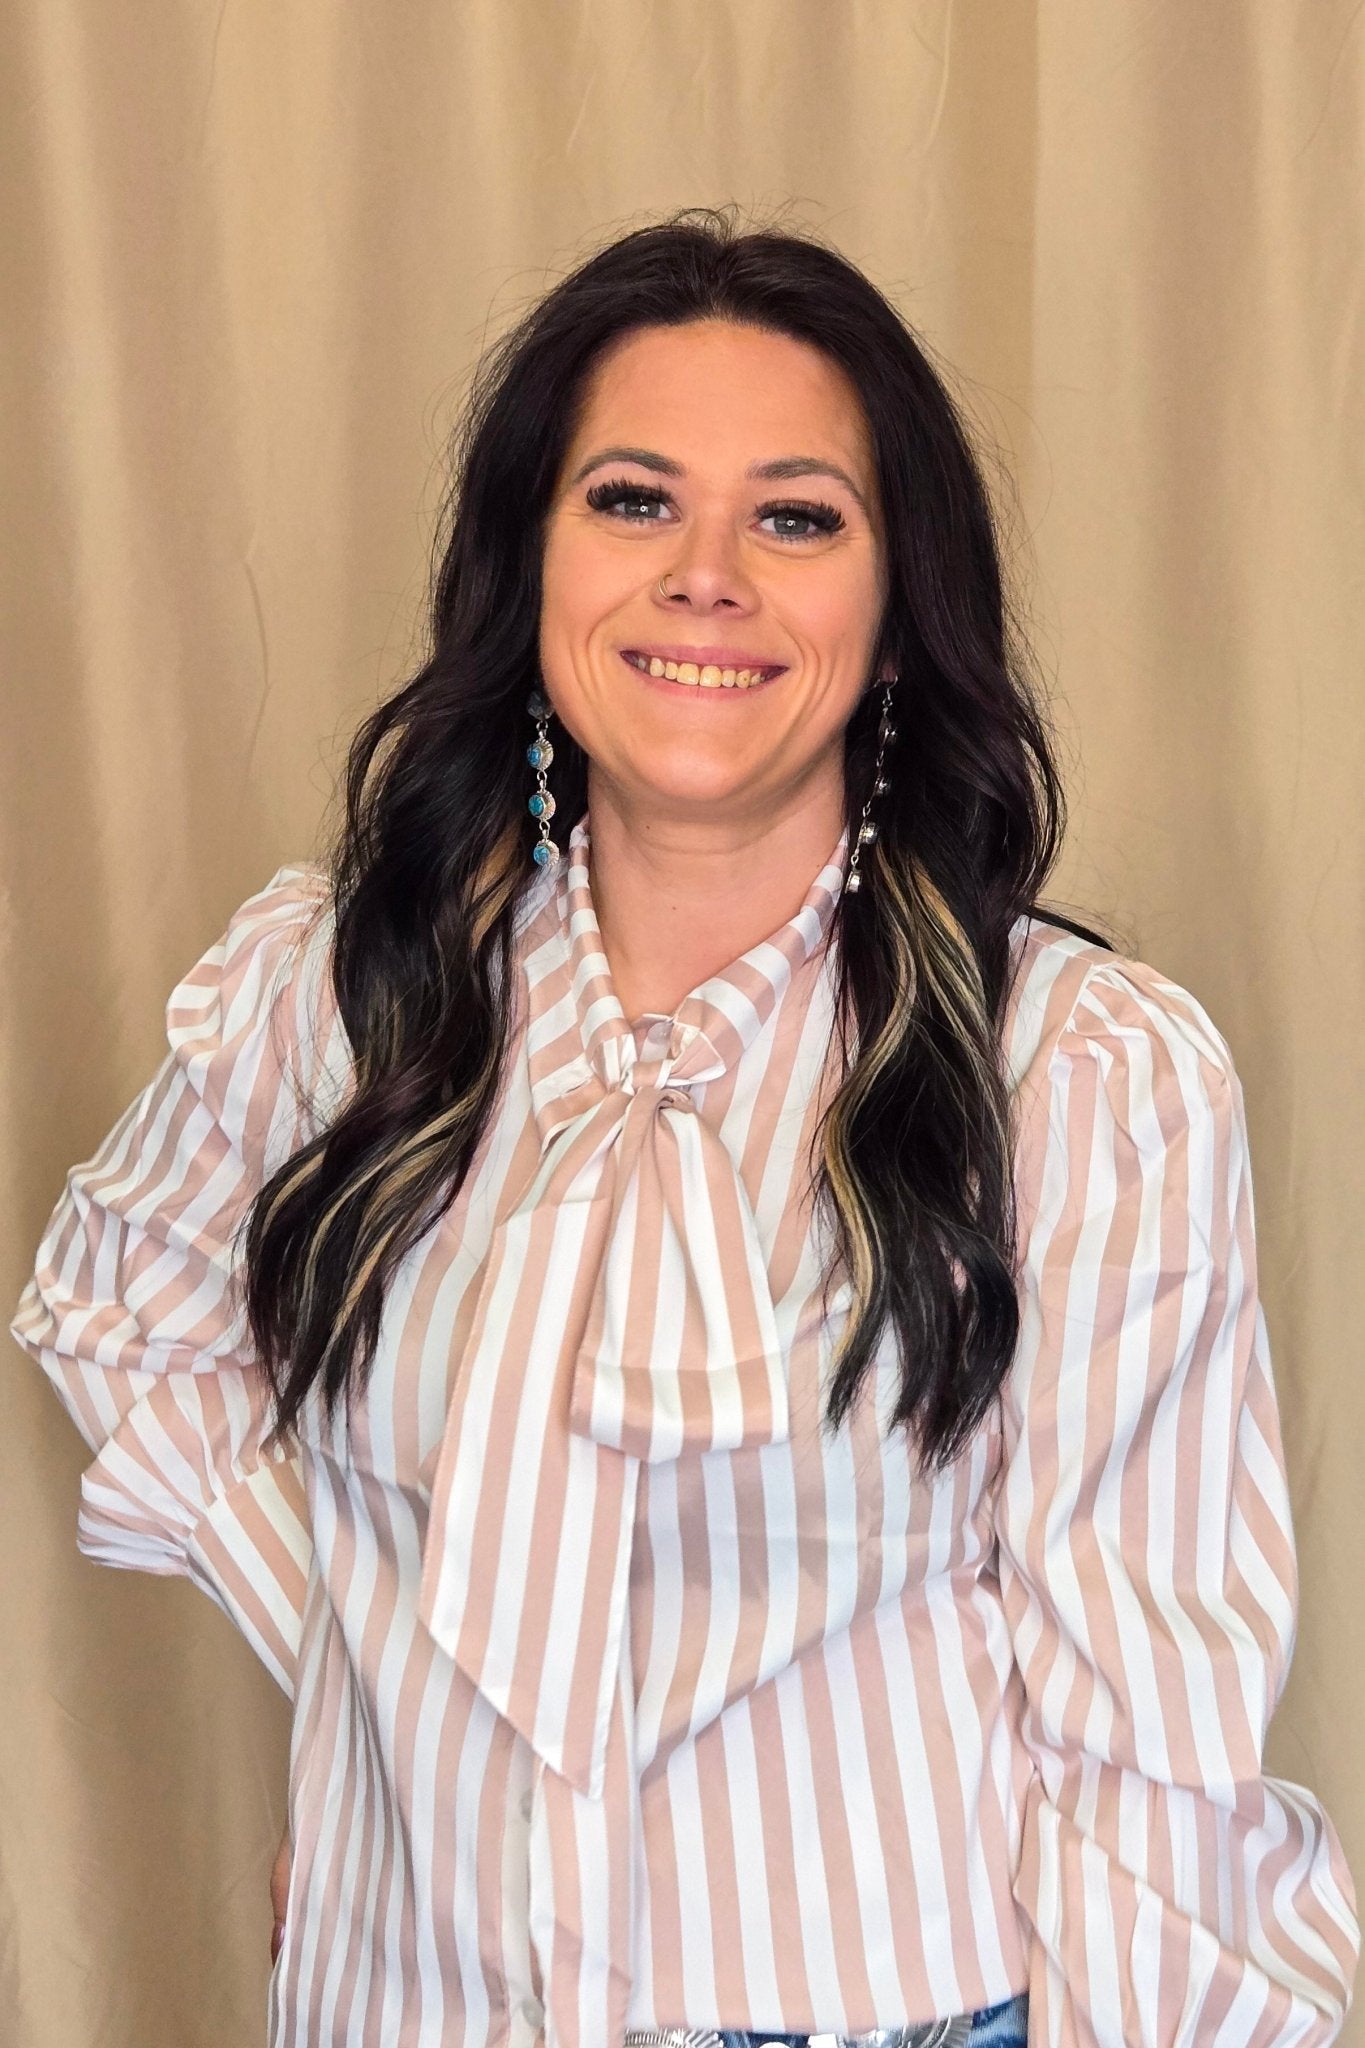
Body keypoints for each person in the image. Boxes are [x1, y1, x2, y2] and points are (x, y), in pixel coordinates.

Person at [10, 208, 1359, 2048]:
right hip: (400, 2007)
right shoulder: (340, 991)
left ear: (896, 611)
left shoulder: (1080, 1073)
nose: (703, 575)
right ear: (530, 566)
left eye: (795, 518)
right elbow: (120, 1310)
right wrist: (357, 1670)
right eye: (632, 500)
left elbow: (1144, 1738)